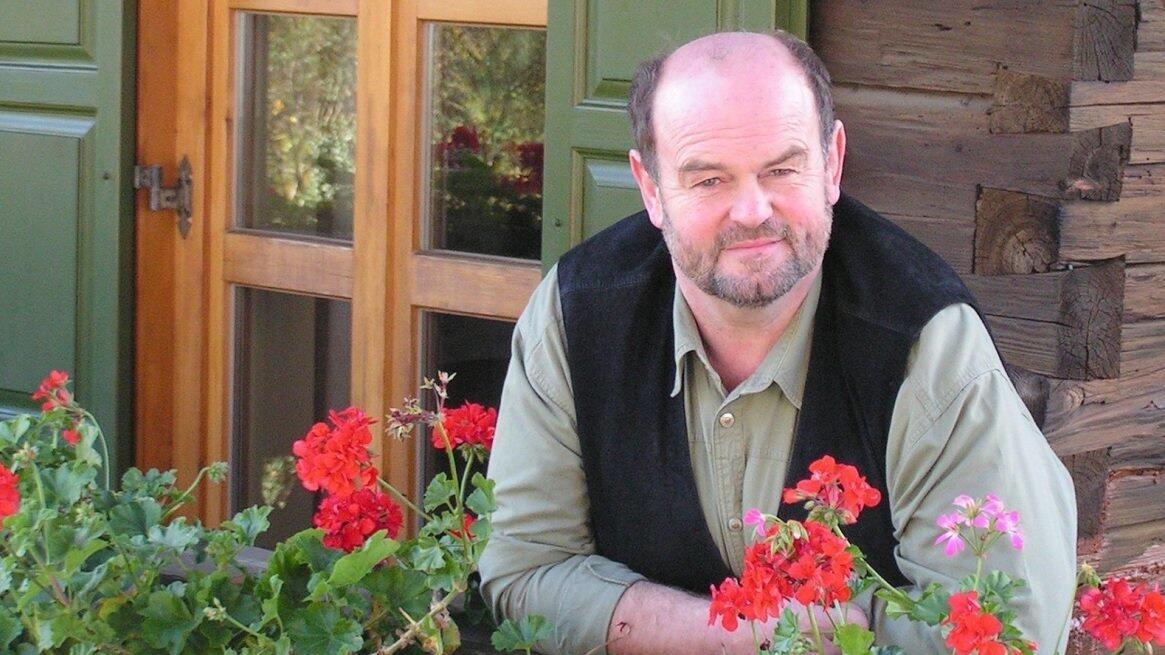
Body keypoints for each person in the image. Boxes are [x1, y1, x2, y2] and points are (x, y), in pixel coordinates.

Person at [479, 30, 1077, 655]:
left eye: (782, 169)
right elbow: (524, 569)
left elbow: (1009, 633)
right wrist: (745, 636)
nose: (752, 211)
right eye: (709, 180)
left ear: (832, 164)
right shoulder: (575, 312)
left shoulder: (925, 342)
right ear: (651, 188)